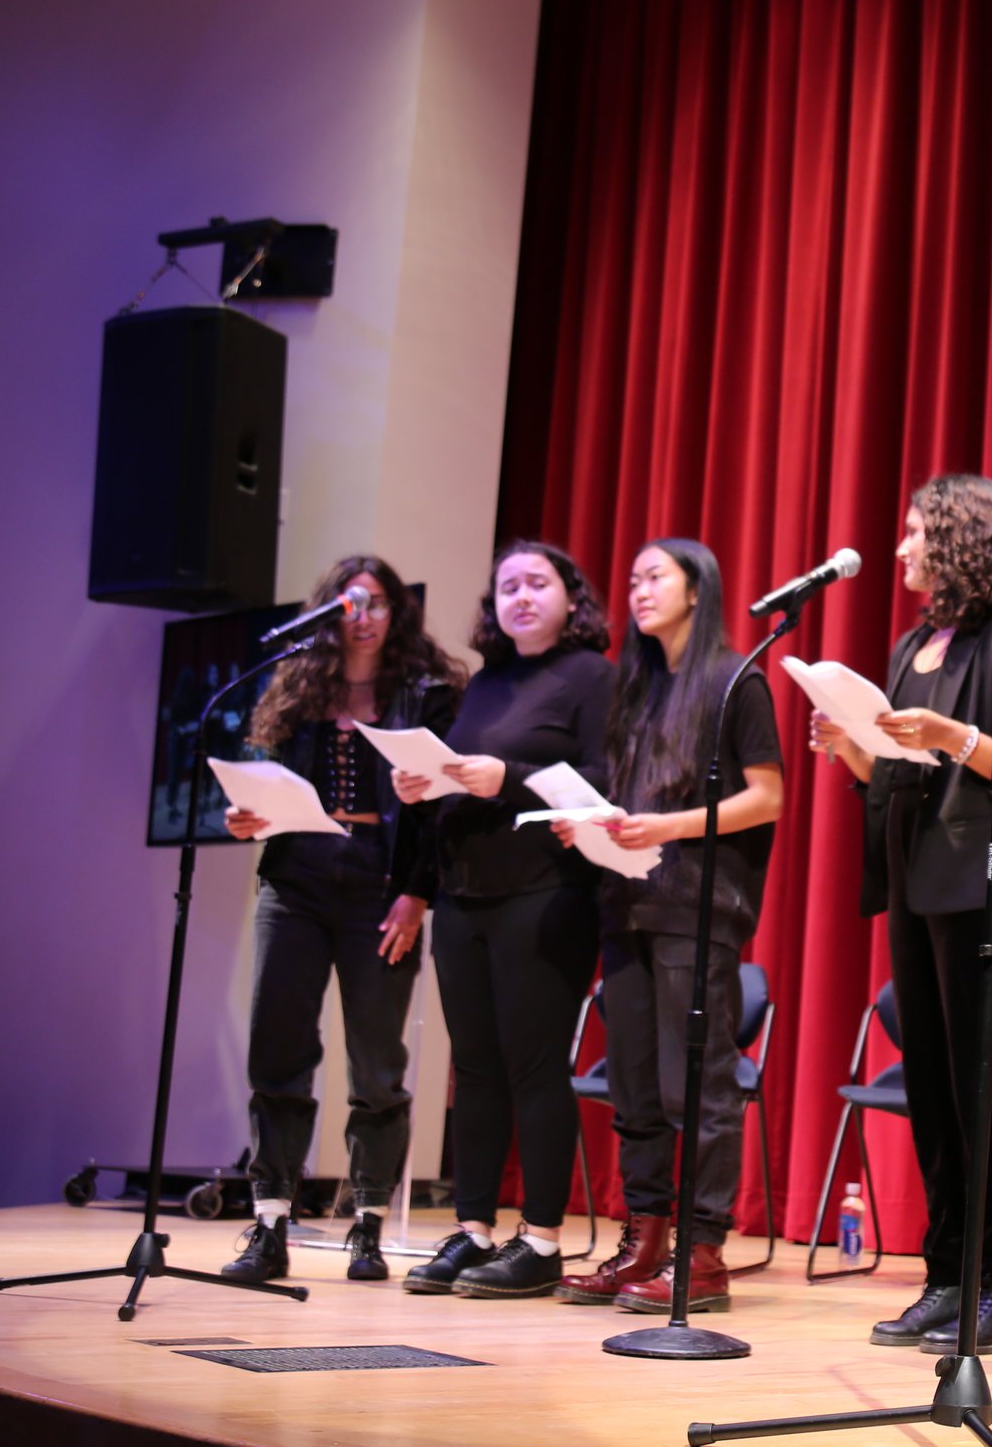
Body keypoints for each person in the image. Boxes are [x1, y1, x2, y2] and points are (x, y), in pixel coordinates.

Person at [811, 474, 992, 1356]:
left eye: (916, 532)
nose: (902, 548)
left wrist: (952, 736)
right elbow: (898, 771)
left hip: (986, 885)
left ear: (959, 540)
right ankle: (946, 1277)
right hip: (916, 886)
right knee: (931, 1090)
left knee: (982, 1087)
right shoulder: (914, 641)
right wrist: (853, 746)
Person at [553, 538, 784, 1314]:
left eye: (655, 576)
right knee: (636, 1085)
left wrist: (668, 827)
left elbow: (768, 797)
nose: (638, 589)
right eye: (632, 578)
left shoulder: (733, 679)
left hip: (697, 905)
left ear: (697, 587)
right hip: (626, 904)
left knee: (698, 1083)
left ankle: (706, 1249)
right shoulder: (637, 687)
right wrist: (587, 822)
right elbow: (625, 800)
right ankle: (644, 1235)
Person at [219, 555, 463, 1286]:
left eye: (378, 601)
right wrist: (244, 818)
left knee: (376, 1062)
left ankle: (367, 1225)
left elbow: (441, 810)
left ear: (397, 613)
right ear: (328, 610)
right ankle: (269, 1224)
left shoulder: (427, 692)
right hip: (295, 878)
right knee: (278, 1051)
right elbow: (263, 782)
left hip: (380, 883)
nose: (363, 613)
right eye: (350, 601)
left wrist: (417, 895)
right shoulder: (297, 686)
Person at [392, 541, 616, 1299]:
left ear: (570, 596)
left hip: (544, 891)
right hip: (464, 893)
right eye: (507, 586)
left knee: (533, 1066)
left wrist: (510, 779)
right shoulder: (483, 684)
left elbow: (608, 780)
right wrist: (425, 782)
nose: (520, 596)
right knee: (475, 1069)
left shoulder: (592, 676)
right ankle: (474, 1228)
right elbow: (465, 776)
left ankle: (544, 1239)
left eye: (538, 583)